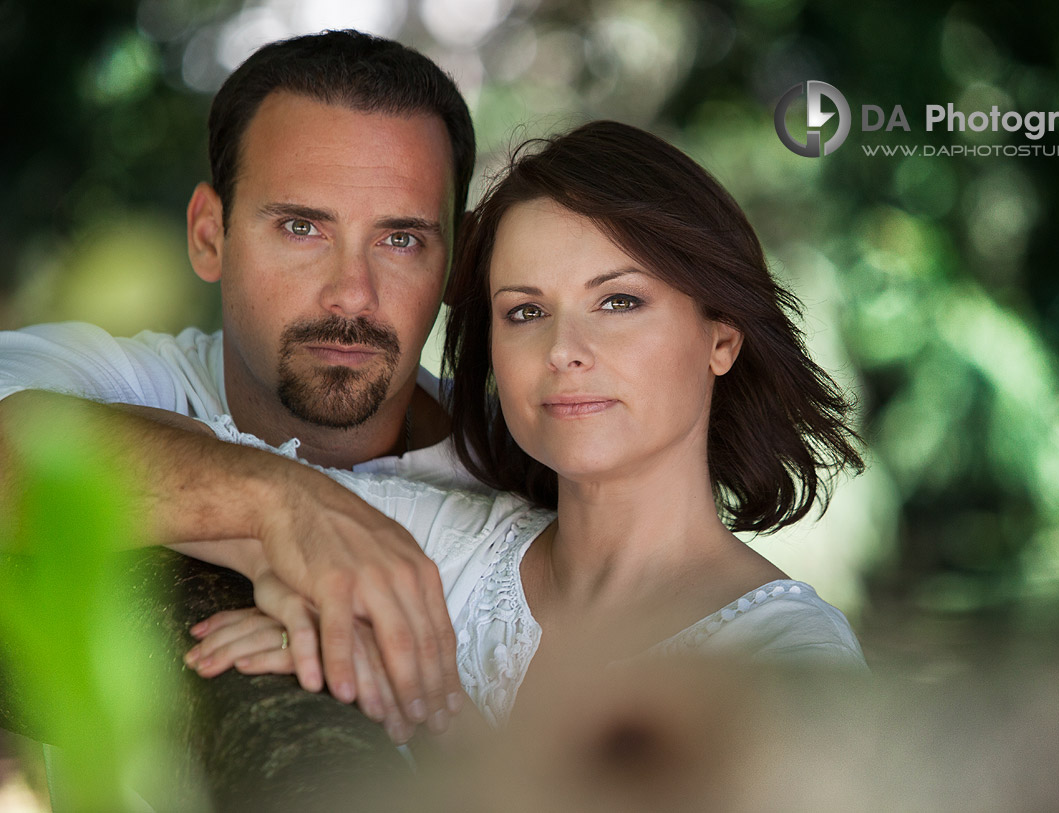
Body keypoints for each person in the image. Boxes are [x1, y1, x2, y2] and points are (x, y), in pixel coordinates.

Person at [185, 120, 867, 731]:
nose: (563, 348)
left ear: (720, 340)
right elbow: (135, 476)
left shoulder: (791, 657)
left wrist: (410, 696)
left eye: (619, 300)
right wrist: (295, 556)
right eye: (525, 312)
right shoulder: (434, 545)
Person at [0, 30, 478, 803]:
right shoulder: (129, 376)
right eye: (301, 227)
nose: (351, 292)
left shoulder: (532, 460)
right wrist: (279, 503)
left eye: (400, 238)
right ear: (208, 234)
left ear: (452, 263)